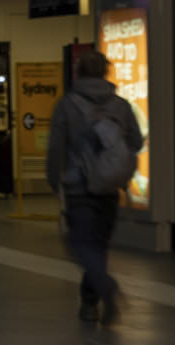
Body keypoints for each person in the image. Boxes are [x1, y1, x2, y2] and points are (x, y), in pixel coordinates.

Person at [45, 51, 145, 324]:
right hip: (110, 188)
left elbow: (56, 147)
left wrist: (55, 179)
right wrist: (112, 161)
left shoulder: (66, 105)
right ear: (105, 72)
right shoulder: (121, 106)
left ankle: (105, 287)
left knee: (79, 243)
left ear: (78, 73)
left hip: (79, 187)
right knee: (98, 245)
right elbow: (136, 141)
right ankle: (90, 303)